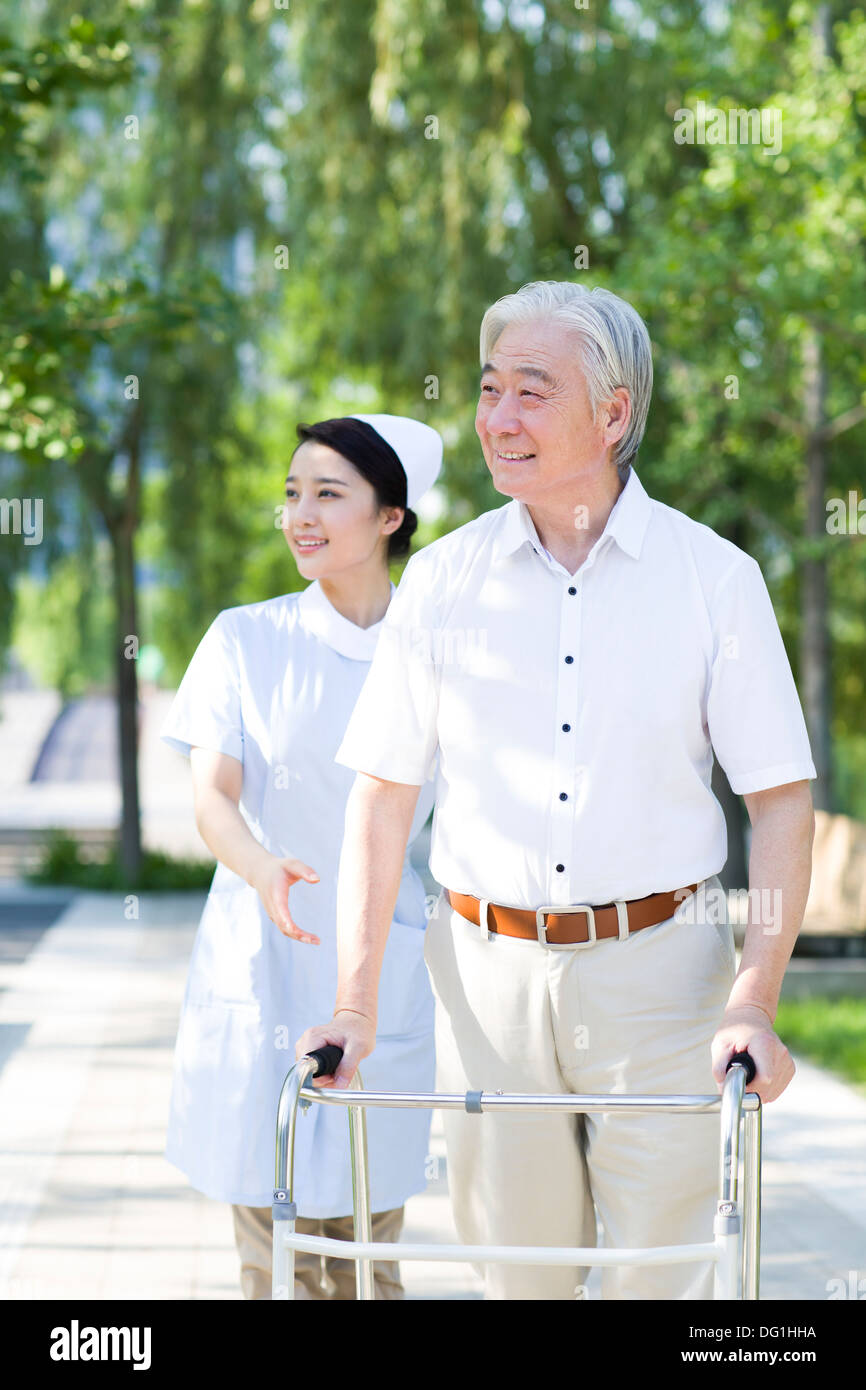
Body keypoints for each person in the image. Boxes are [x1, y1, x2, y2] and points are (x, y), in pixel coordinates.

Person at [296, 280, 817, 1301]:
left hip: (665, 981)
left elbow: (777, 801)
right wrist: (352, 1007)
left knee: (658, 1282)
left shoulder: (713, 580)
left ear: (612, 412)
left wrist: (752, 1000)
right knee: (520, 1280)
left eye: (530, 391)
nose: (495, 418)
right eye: (489, 388)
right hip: (487, 983)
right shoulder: (441, 584)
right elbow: (382, 797)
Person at [159, 412, 443, 1300]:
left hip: (381, 956)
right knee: (273, 1253)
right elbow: (213, 796)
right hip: (264, 949)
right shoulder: (246, 637)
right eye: (291, 494)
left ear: (390, 516)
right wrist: (261, 867)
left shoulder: (433, 651)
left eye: (327, 493)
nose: (299, 515)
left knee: (365, 1253)